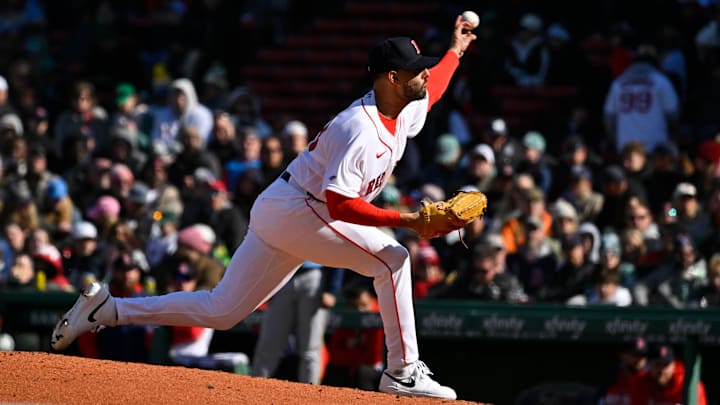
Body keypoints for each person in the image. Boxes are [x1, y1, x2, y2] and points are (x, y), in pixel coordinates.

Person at [51, 17, 477, 400]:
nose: (423, 72)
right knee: (393, 259)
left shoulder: (402, 106)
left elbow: (434, 89)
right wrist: (408, 222)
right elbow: (339, 203)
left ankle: (108, 309)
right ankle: (402, 372)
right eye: (415, 68)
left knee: (222, 311)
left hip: (286, 208)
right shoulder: (360, 129)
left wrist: (456, 51)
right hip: (304, 209)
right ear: (391, 77)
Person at [251, 262, 343, 384]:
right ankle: (255, 389)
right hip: (283, 275)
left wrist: (332, 289)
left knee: (311, 348)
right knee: (269, 344)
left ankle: (311, 397)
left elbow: (336, 250)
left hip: (313, 278)